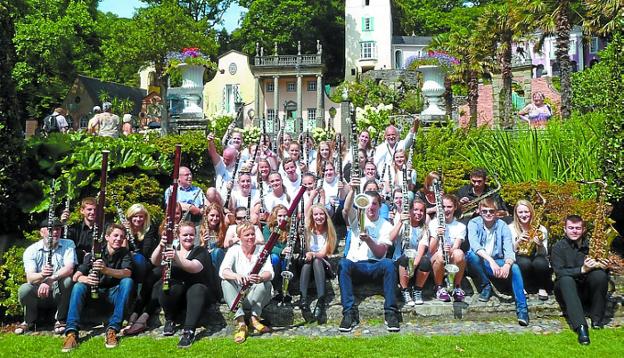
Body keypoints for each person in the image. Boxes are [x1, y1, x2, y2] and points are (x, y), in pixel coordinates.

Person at [62, 224, 133, 352]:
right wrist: (84, 279)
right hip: (94, 293)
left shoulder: (125, 253)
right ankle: (71, 333)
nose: (118, 239)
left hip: (113, 294)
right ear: (107, 237)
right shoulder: (94, 253)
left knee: (127, 282)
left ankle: (112, 330)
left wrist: (106, 270)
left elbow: (127, 273)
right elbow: (76, 276)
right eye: (115, 235)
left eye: (122, 237)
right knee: (78, 286)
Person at [339, 186, 399, 332]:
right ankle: (348, 313)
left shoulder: (386, 225)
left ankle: (391, 313)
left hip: (375, 266)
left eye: (374, 204)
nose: (371, 207)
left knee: (389, 264)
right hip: (356, 266)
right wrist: (353, 190)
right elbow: (346, 210)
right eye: (368, 203)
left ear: (379, 206)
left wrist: (369, 240)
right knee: (343, 263)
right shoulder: (358, 218)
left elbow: (380, 253)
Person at [150, 221, 217, 348]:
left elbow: (194, 267)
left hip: (198, 295)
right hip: (179, 295)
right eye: (185, 235)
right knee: (167, 285)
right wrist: (160, 245)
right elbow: (155, 261)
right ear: (178, 236)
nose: (188, 238)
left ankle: (189, 331)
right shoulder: (172, 249)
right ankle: (170, 319)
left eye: (191, 235)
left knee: (197, 289)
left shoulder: (200, 251)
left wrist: (176, 257)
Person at [465, 198, 529, 326]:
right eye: (485, 211)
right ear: (479, 212)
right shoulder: (473, 223)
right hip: (480, 262)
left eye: (491, 211)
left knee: (515, 268)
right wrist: (491, 261)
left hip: (497, 260)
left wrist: (507, 264)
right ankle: (485, 285)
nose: (488, 214)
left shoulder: (502, 226)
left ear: (496, 212)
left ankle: (522, 309)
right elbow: (475, 246)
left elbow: (509, 250)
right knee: (472, 255)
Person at [552, 215, 609, 345]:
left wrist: (605, 267)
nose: (574, 231)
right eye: (571, 228)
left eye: (578, 228)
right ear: (564, 229)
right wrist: (582, 269)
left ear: (583, 230)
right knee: (566, 279)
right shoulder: (558, 247)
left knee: (600, 275)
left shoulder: (593, 245)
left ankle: (596, 320)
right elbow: (559, 272)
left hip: (585, 290)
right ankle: (581, 327)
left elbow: (600, 271)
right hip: (567, 291)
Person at [15, 219, 76, 335]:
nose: (55, 232)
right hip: (40, 293)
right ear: (41, 232)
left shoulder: (68, 244)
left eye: (57, 229)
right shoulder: (31, 250)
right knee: (24, 289)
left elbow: (69, 269)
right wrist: (42, 275)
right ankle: (29, 321)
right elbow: (30, 278)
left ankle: (60, 319)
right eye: (50, 230)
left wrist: (50, 279)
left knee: (68, 281)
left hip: (57, 292)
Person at [220, 222, 274, 344]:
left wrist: (259, 278)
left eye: (252, 234)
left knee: (266, 283)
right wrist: (236, 276)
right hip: (239, 297)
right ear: (239, 238)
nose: (251, 237)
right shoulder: (234, 250)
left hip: (257, 295)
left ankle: (254, 319)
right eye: (247, 235)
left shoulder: (262, 250)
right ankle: (241, 323)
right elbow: (223, 271)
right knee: (225, 282)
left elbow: (269, 272)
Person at [121, 204, 160, 336]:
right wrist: (127, 234)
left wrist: (131, 253)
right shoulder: (123, 229)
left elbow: (145, 252)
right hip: (130, 264)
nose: (138, 219)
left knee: (138, 259)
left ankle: (136, 314)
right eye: (135, 216)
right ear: (129, 217)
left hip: (146, 263)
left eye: (141, 217)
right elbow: (122, 251)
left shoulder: (149, 230)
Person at [299, 204, 337, 323]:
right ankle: (303, 300)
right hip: (307, 264)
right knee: (307, 263)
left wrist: (312, 254)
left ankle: (321, 301)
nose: (319, 217)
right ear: (312, 216)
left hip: (322, 265)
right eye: (316, 214)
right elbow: (303, 250)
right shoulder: (307, 230)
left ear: (326, 216)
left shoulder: (330, 232)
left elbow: (324, 253)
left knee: (316, 260)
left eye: (321, 214)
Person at [391, 198, 431, 306]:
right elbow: (390, 239)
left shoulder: (424, 229)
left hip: (414, 263)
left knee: (426, 261)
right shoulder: (402, 223)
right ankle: (404, 291)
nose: (418, 213)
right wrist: (400, 222)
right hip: (400, 261)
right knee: (405, 258)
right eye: (415, 209)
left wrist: (413, 266)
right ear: (410, 210)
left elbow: (421, 249)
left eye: (421, 210)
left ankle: (418, 290)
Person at [509, 199, 551, 301]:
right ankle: (523, 286)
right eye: (520, 212)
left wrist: (540, 245)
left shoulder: (541, 229)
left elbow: (545, 253)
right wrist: (518, 242)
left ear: (531, 213)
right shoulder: (510, 228)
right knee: (524, 262)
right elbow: (509, 252)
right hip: (519, 256)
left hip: (536, 255)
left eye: (526, 212)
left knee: (541, 262)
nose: (524, 215)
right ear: (516, 214)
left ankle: (542, 287)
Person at [428, 195, 467, 302]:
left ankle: (457, 286)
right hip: (436, 258)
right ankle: (439, 287)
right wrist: (437, 234)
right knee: (441, 255)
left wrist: (449, 250)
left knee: (459, 253)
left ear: (455, 207)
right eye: (443, 207)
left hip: (451, 256)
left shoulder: (461, 227)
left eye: (449, 207)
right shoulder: (433, 223)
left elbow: (456, 246)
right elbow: (431, 250)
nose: (446, 210)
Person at [63, 197, 97, 263]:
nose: (92, 212)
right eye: (89, 209)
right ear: (82, 210)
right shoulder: (74, 229)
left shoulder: (103, 228)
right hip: (78, 262)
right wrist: (62, 223)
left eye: (95, 210)